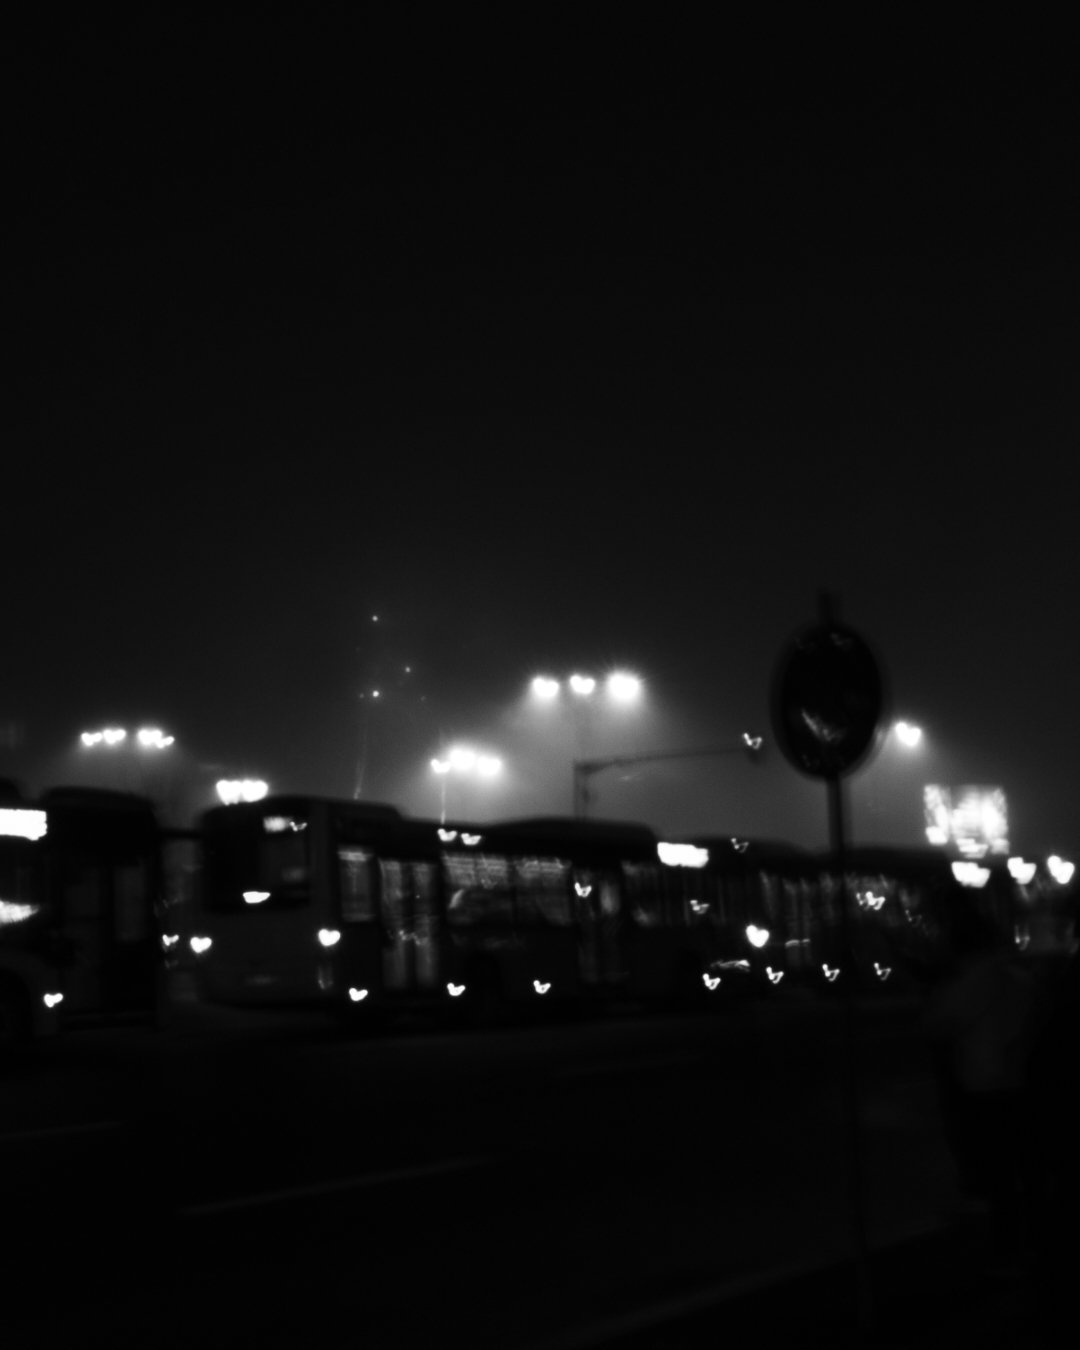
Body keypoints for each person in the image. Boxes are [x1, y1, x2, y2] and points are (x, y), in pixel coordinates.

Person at [923, 892, 1039, 1264]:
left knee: (995, 1173)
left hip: (982, 1085)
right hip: (1017, 1083)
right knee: (1016, 1170)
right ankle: (1023, 1246)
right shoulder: (1019, 979)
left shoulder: (972, 981)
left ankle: (1005, 1252)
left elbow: (937, 1023)